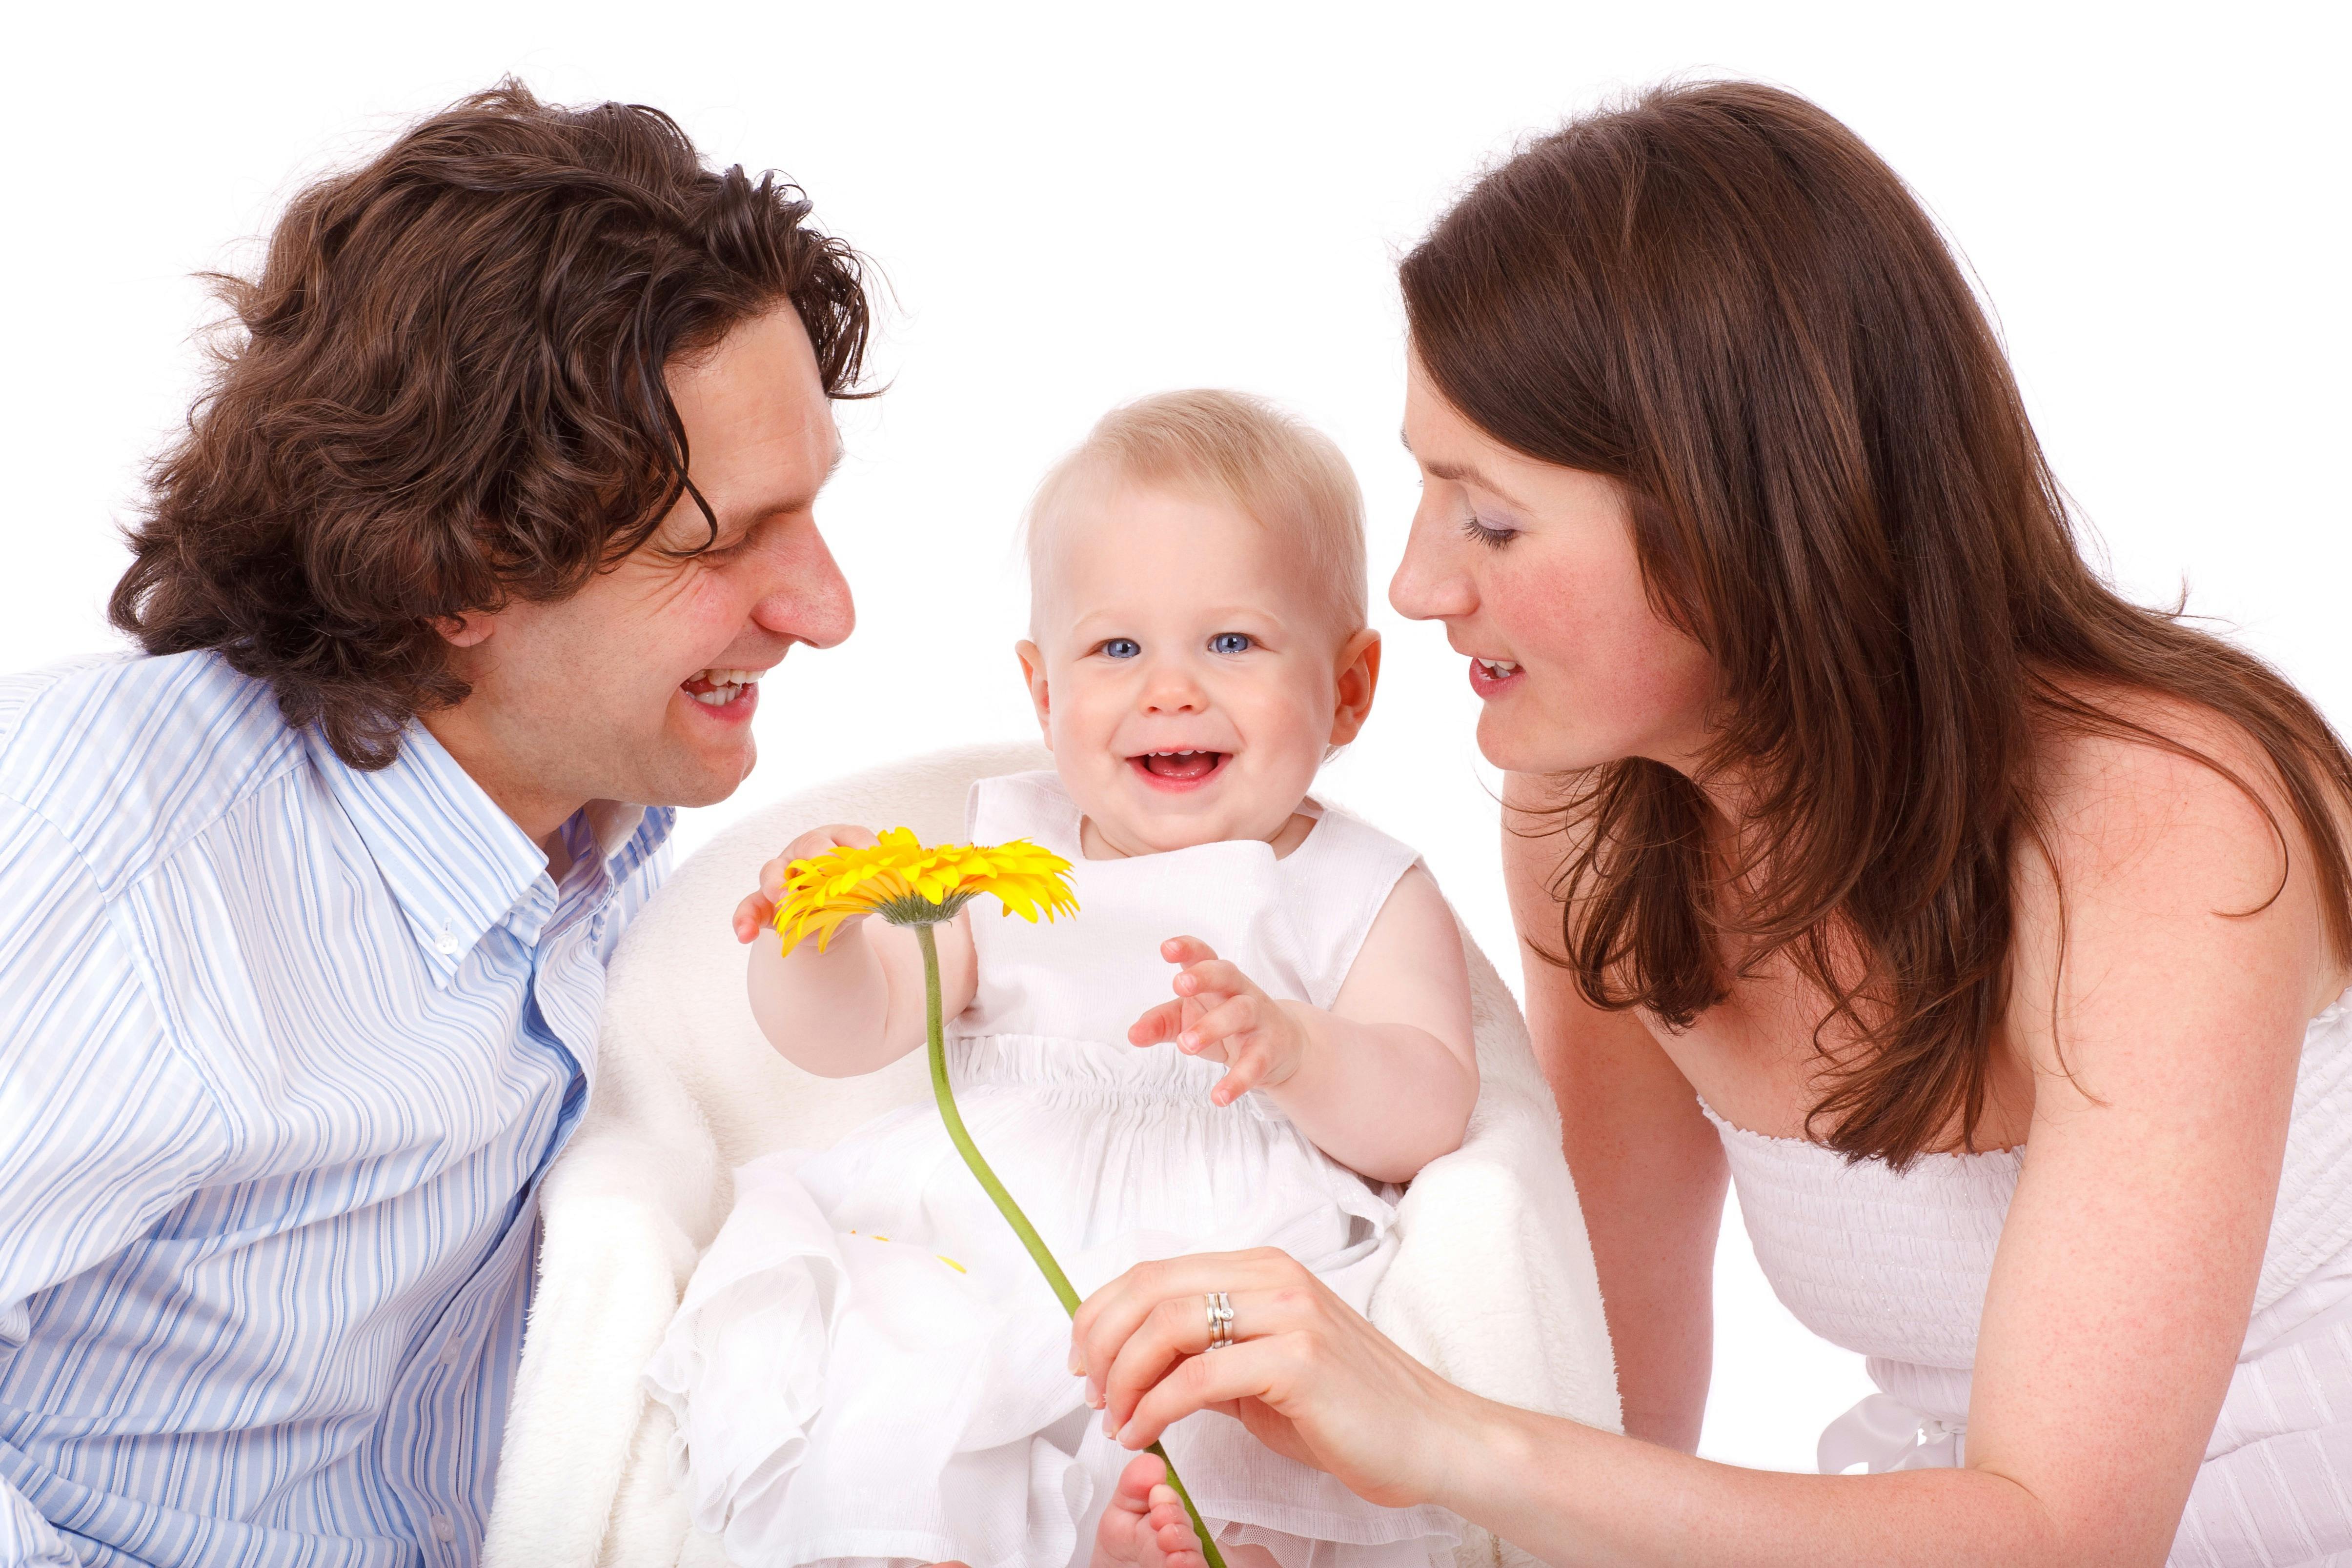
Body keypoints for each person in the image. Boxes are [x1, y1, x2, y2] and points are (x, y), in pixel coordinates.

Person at [1067, 81, 2352, 1567]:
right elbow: (1610, 1415)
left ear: (1731, 517)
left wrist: (1434, 1426)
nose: (1416, 583)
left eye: (1487, 518)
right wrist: (1297, 1523)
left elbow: (2058, 1533)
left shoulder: (2164, 821)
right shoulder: (1602, 814)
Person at [0, 83, 870, 1565]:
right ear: (450, 570)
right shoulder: (108, 838)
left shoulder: (621, 846)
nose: (827, 610)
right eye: (719, 542)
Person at [655, 391, 1478, 1568]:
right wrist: (820, 933)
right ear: (1044, 694)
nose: (1170, 689)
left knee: (1239, 1405)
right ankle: (919, 1541)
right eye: (1117, 647)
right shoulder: (1005, 854)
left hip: (1220, 1236)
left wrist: (1296, 1046)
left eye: (1232, 641)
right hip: (989, 1227)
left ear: (1349, 687)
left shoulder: (1361, 884)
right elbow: (863, 1024)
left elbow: (1430, 1109)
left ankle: (1178, 1539)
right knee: (895, 1347)